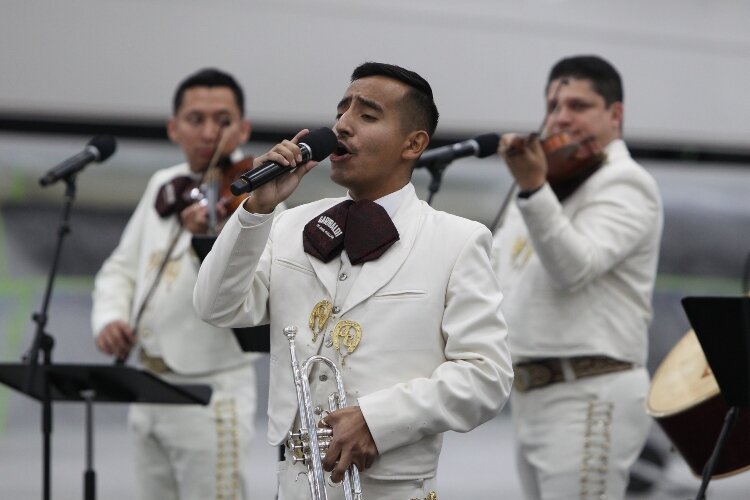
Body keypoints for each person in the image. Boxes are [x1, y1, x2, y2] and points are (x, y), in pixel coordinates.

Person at [194, 62, 513, 499]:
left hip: (393, 486)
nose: (343, 125)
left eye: (367, 115)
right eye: (341, 110)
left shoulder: (457, 240)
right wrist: (257, 209)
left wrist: (377, 419)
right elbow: (216, 306)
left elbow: (486, 376)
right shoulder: (290, 225)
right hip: (296, 484)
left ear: (413, 144)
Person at [491, 55, 664, 499]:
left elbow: (575, 269)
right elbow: (496, 274)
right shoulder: (546, 180)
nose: (560, 116)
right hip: (531, 393)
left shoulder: (625, 182)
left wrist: (533, 188)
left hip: (590, 393)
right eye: (552, 105)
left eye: (578, 104)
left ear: (615, 114)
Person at [92, 68, 261, 500]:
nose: (209, 132)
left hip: (210, 390)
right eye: (195, 119)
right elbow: (121, 269)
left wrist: (213, 234)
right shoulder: (160, 186)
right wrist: (110, 317)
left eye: (223, 121)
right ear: (173, 128)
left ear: (243, 128)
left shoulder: (256, 197)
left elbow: (253, 283)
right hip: (147, 384)